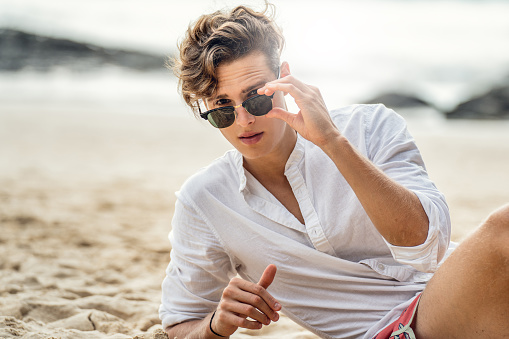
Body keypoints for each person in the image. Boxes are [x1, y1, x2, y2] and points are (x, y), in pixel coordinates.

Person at [159, 3, 509, 339]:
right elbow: (179, 324)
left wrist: (332, 143)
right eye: (222, 107)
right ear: (202, 106)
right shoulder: (205, 201)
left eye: (256, 97)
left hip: (463, 298)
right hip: (400, 330)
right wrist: (216, 326)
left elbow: (427, 248)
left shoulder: (370, 126)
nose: (245, 120)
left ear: (284, 79)